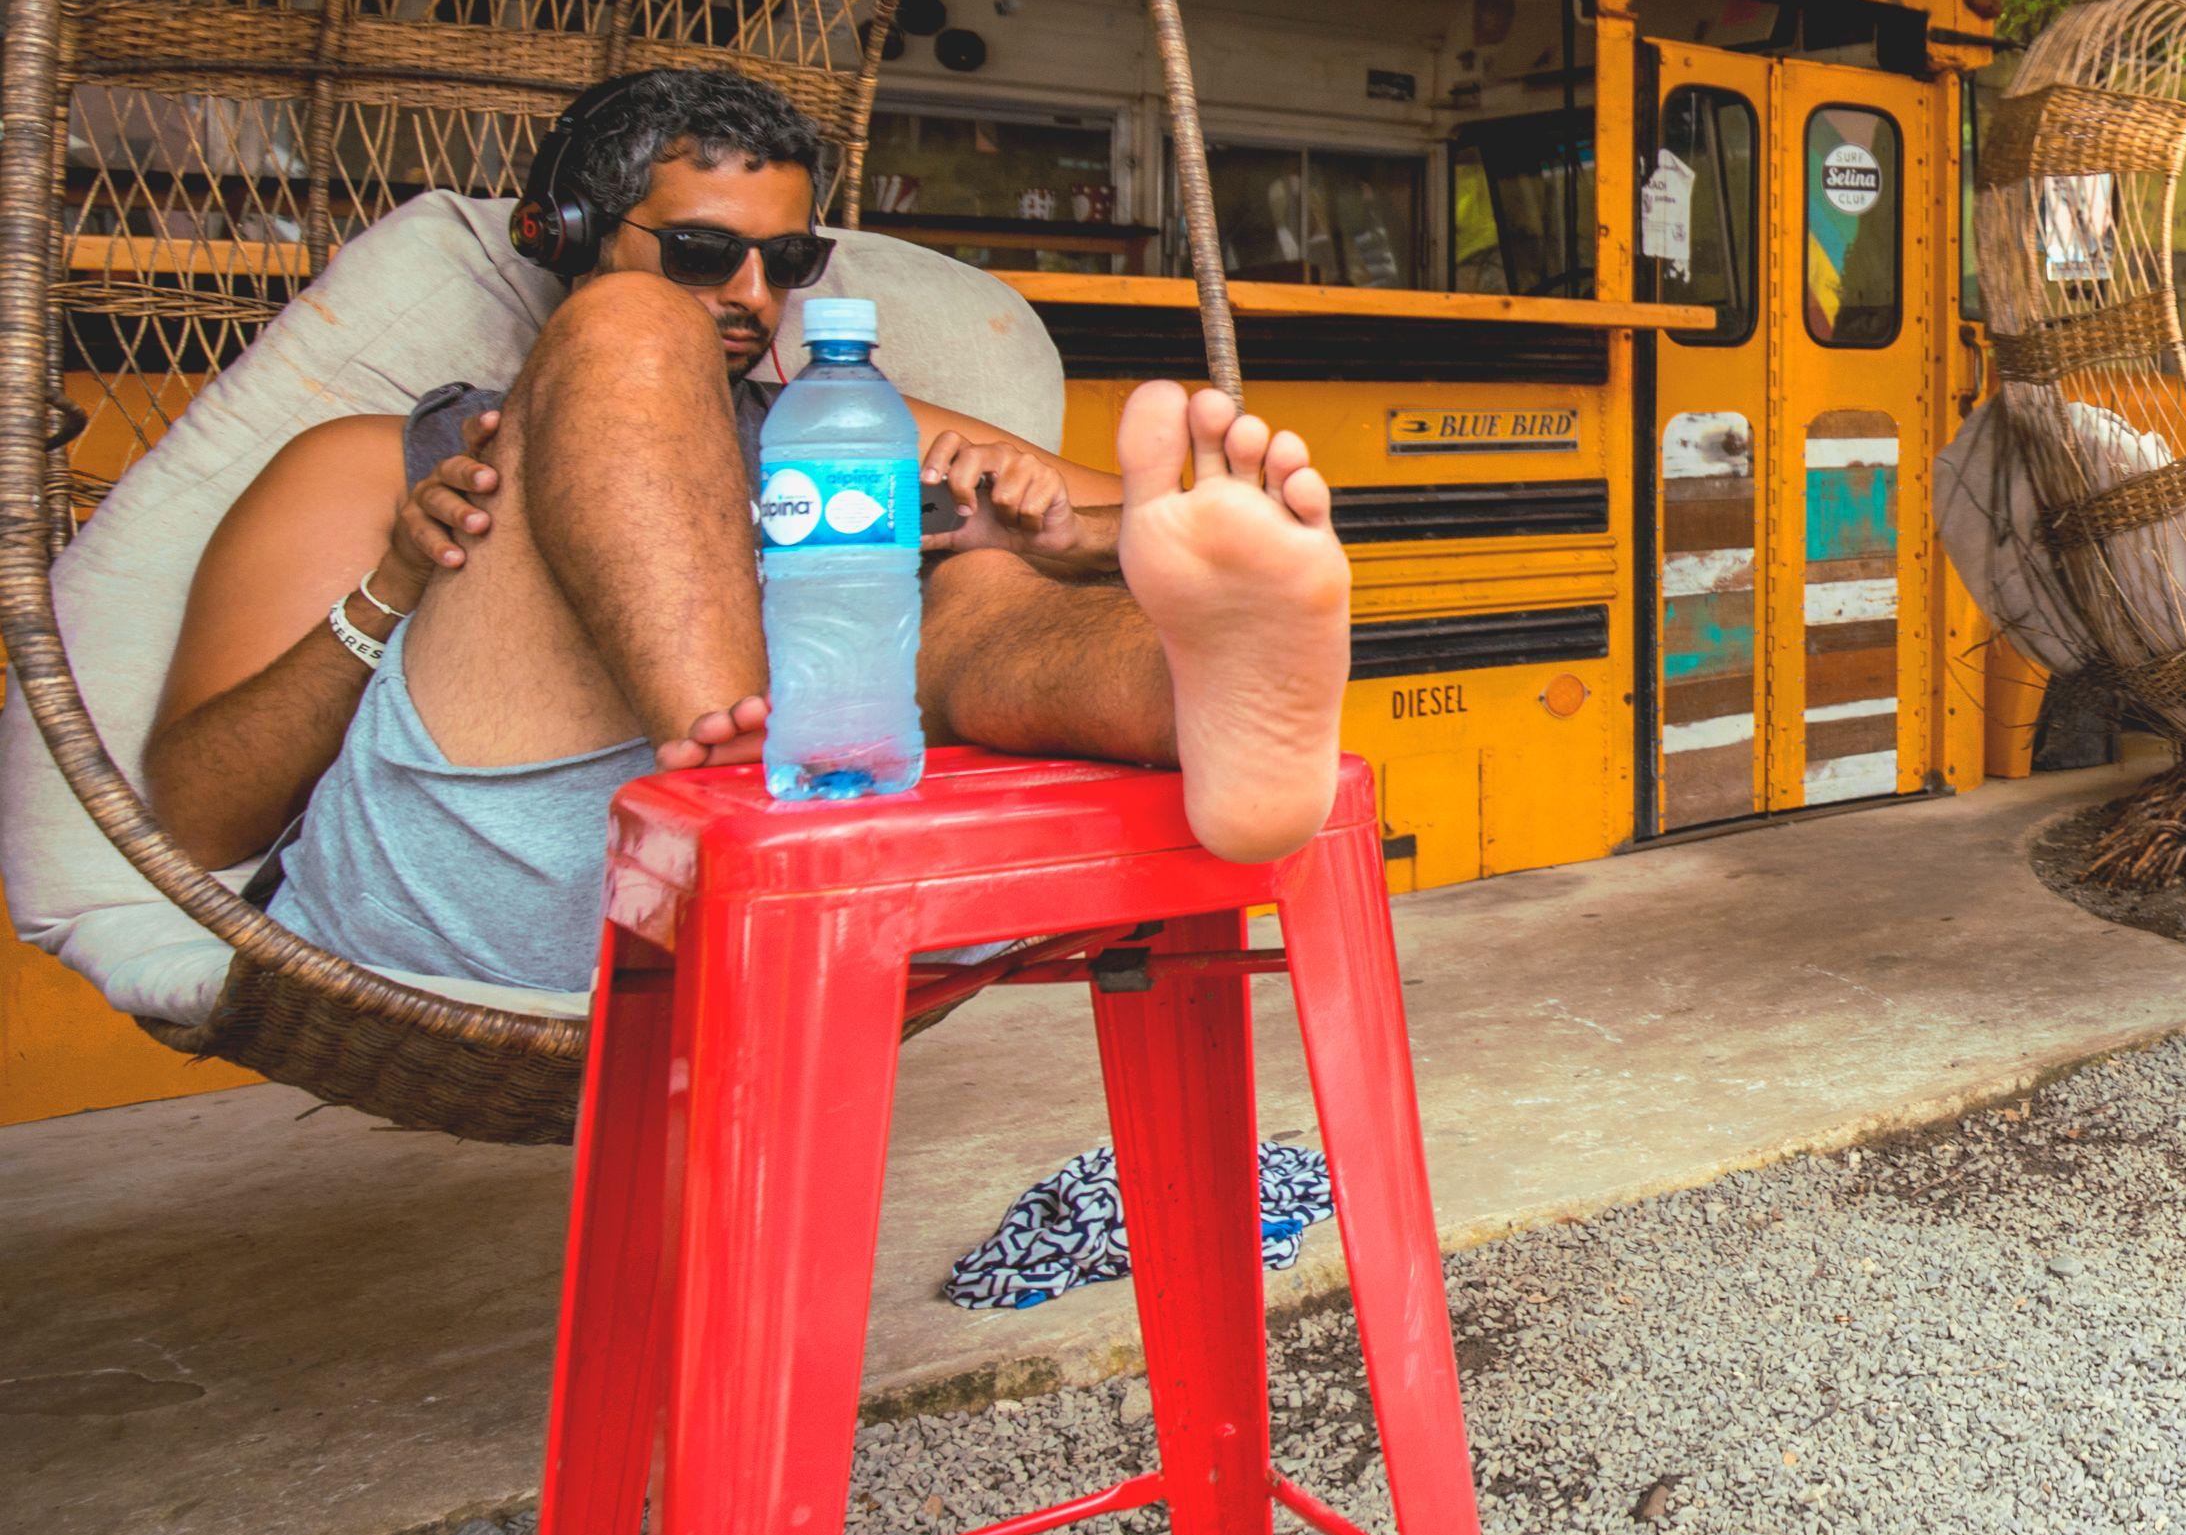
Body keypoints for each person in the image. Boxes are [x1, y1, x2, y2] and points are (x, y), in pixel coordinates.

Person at [147, 68, 1353, 992]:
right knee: (642, 334)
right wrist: (395, 579)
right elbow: (199, 813)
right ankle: (726, 763)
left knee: (962, 563)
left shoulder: (833, 415)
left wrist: (1039, 526)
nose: (753, 298)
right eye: (702, 253)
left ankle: (1194, 711)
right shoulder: (372, 458)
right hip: (471, 899)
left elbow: (1172, 528)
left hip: (820, 872)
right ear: (559, 233)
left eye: (788, 260)